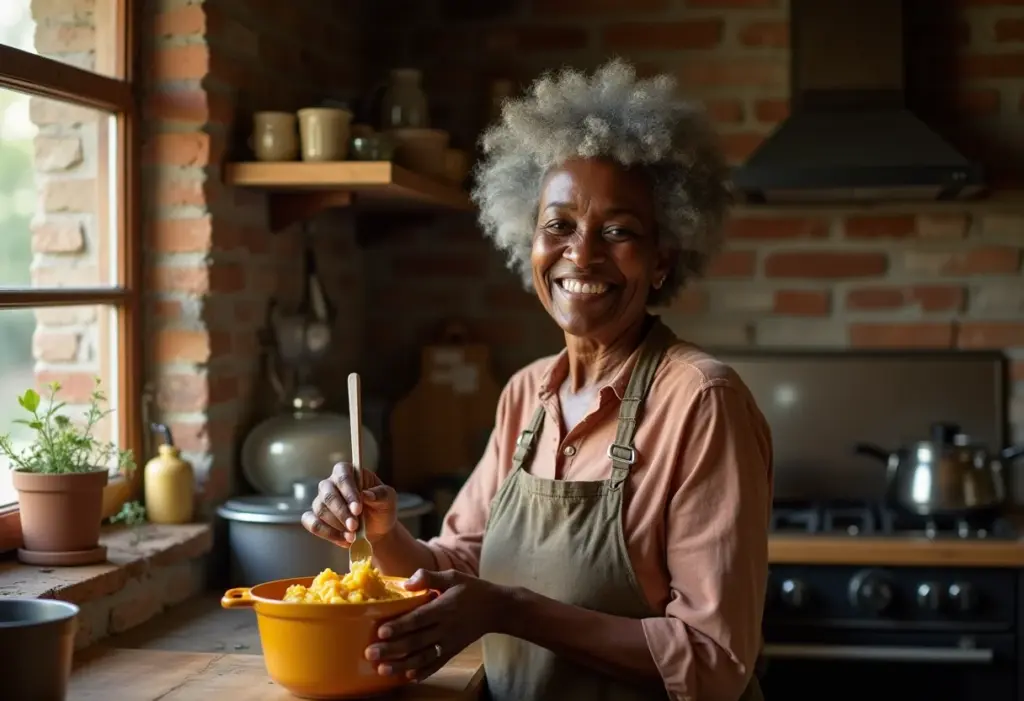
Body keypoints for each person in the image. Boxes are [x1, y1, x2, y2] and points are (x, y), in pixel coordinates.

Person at [303, 59, 773, 701]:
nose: (582, 254)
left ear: (663, 259)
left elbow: (715, 661)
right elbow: (455, 567)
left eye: (619, 231)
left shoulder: (700, 401)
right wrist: (383, 531)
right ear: (528, 243)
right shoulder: (527, 393)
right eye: (559, 226)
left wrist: (511, 611)